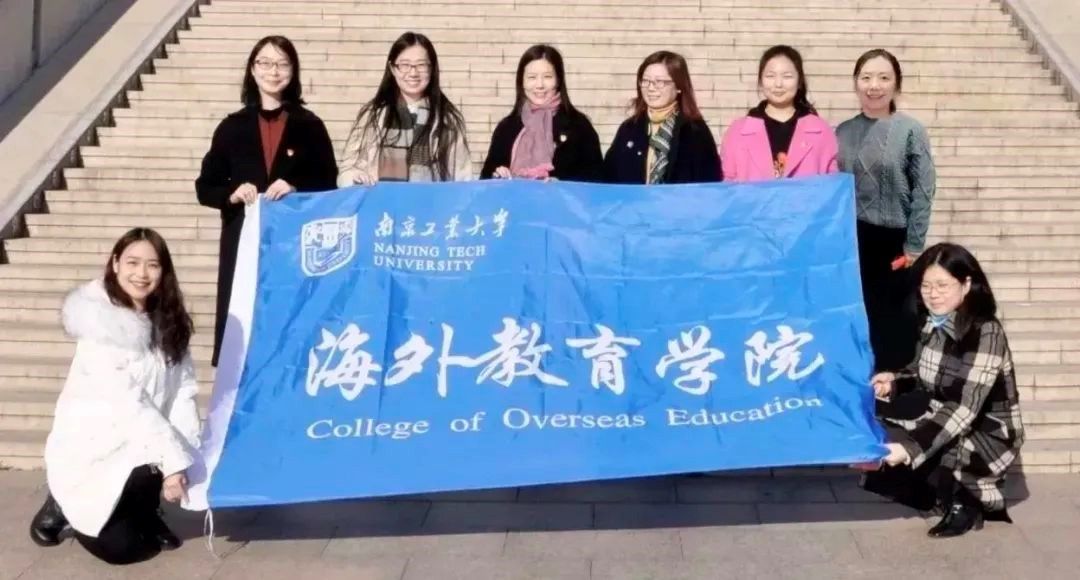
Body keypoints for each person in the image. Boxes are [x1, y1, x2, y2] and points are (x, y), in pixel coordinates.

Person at [29, 228, 202, 564]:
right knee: (126, 551)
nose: (142, 273)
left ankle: (146, 509)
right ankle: (61, 502)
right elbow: (129, 405)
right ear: (115, 263)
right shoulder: (99, 326)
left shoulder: (168, 321)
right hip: (97, 444)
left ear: (164, 271)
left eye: (152, 265)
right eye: (132, 263)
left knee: (156, 464)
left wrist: (184, 458)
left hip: (145, 441)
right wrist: (172, 462)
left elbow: (183, 390)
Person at [858, 243, 1024, 538]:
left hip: (983, 431)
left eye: (942, 285)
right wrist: (894, 382)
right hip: (945, 419)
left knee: (915, 458)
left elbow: (964, 407)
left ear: (966, 284)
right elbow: (921, 373)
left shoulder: (985, 332)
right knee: (880, 469)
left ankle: (966, 500)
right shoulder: (933, 322)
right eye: (926, 286)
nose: (933, 294)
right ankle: (939, 491)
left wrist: (910, 449)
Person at [196, 35, 337, 367]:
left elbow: (329, 182)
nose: (274, 71)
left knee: (289, 334)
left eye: (282, 64)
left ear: (293, 70)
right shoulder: (231, 128)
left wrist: (296, 186)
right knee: (241, 335)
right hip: (243, 242)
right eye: (265, 63)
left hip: (292, 245)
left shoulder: (310, 126)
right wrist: (231, 194)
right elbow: (205, 187)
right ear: (252, 69)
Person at [837, 48, 936, 371]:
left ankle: (894, 384)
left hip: (894, 242)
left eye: (883, 77)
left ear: (896, 84)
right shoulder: (842, 132)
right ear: (855, 83)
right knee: (855, 318)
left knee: (893, 322)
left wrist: (914, 245)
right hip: (851, 241)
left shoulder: (910, 131)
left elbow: (924, 189)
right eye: (866, 77)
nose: (874, 85)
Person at [338, 32, 471, 186]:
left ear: (432, 68)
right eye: (405, 65)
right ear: (393, 68)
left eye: (421, 65)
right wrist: (355, 178)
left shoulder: (447, 120)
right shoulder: (372, 116)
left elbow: (463, 180)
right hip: (381, 201)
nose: (413, 73)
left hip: (431, 201)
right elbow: (346, 172)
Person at [480, 44, 603, 182]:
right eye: (532, 77)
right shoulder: (506, 128)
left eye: (547, 77)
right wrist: (497, 177)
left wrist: (562, 185)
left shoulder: (579, 127)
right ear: (522, 82)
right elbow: (485, 181)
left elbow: (596, 181)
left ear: (558, 80)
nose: (539, 85)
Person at [719, 45, 837, 181]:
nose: (778, 84)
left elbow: (833, 184)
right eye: (770, 76)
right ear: (760, 81)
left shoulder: (821, 131)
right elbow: (727, 183)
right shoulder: (738, 131)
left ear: (799, 81)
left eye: (787, 76)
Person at [604, 50, 722, 184]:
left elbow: (709, 183)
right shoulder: (629, 129)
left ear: (678, 86)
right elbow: (608, 178)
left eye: (659, 82)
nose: (651, 88)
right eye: (645, 81)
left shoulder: (695, 132)